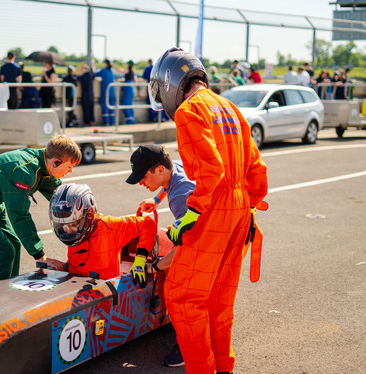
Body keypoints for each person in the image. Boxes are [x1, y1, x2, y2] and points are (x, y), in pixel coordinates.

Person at [149, 47, 268, 374]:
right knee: (219, 299)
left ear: (171, 83)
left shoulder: (189, 112)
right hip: (242, 210)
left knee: (183, 296)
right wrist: (250, 206)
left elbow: (211, 171)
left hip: (214, 209)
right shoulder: (230, 107)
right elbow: (257, 168)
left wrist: (188, 220)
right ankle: (223, 367)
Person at [0, 135, 81, 285]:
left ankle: (7, 292)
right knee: (1, 251)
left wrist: (83, 217)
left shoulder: (45, 164)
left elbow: (60, 197)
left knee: (14, 245)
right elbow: (19, 215)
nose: (70, 171)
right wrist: (40, 256)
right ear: (56, 162)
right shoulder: (23, 170)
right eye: (69, 166)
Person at [125, 144, 196, 367]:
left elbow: (188, 245)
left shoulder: (181, 196)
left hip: (217, 238)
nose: (140, 183)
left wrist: (154, 267)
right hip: (214, 228)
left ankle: (189, 348)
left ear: (159, 170)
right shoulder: (173, 167)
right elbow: (168, 185)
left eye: (143, 176)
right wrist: (155, 200)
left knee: (177, 291)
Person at [45, 183, 156, 288]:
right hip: (75, 289)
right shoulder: (74, 232)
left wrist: (140, 259)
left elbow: (147, 224)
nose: (68, 231)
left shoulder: (111, 226)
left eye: (73, 224)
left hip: (105, 295)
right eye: (62, 226)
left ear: (89, 215)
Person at [95, 59, 116, 125]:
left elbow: (95, 73)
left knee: (105, 106)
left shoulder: (103, 70)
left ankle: (106, 122)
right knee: (111, 106)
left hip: (105, 90)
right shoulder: (112, 70)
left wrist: (93, 66)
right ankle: (113, 122)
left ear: (105, 63)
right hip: (112, 91)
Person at [120, 60, 137, 124]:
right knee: (130, 104)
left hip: (128, 88)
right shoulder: (133, 71)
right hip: (131, 87)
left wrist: (113, 66)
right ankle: (132, 120)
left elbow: (120, 70)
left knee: (124, 104)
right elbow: (135, 80)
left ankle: (129, 120)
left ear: (128, 65)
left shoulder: (128, 70)